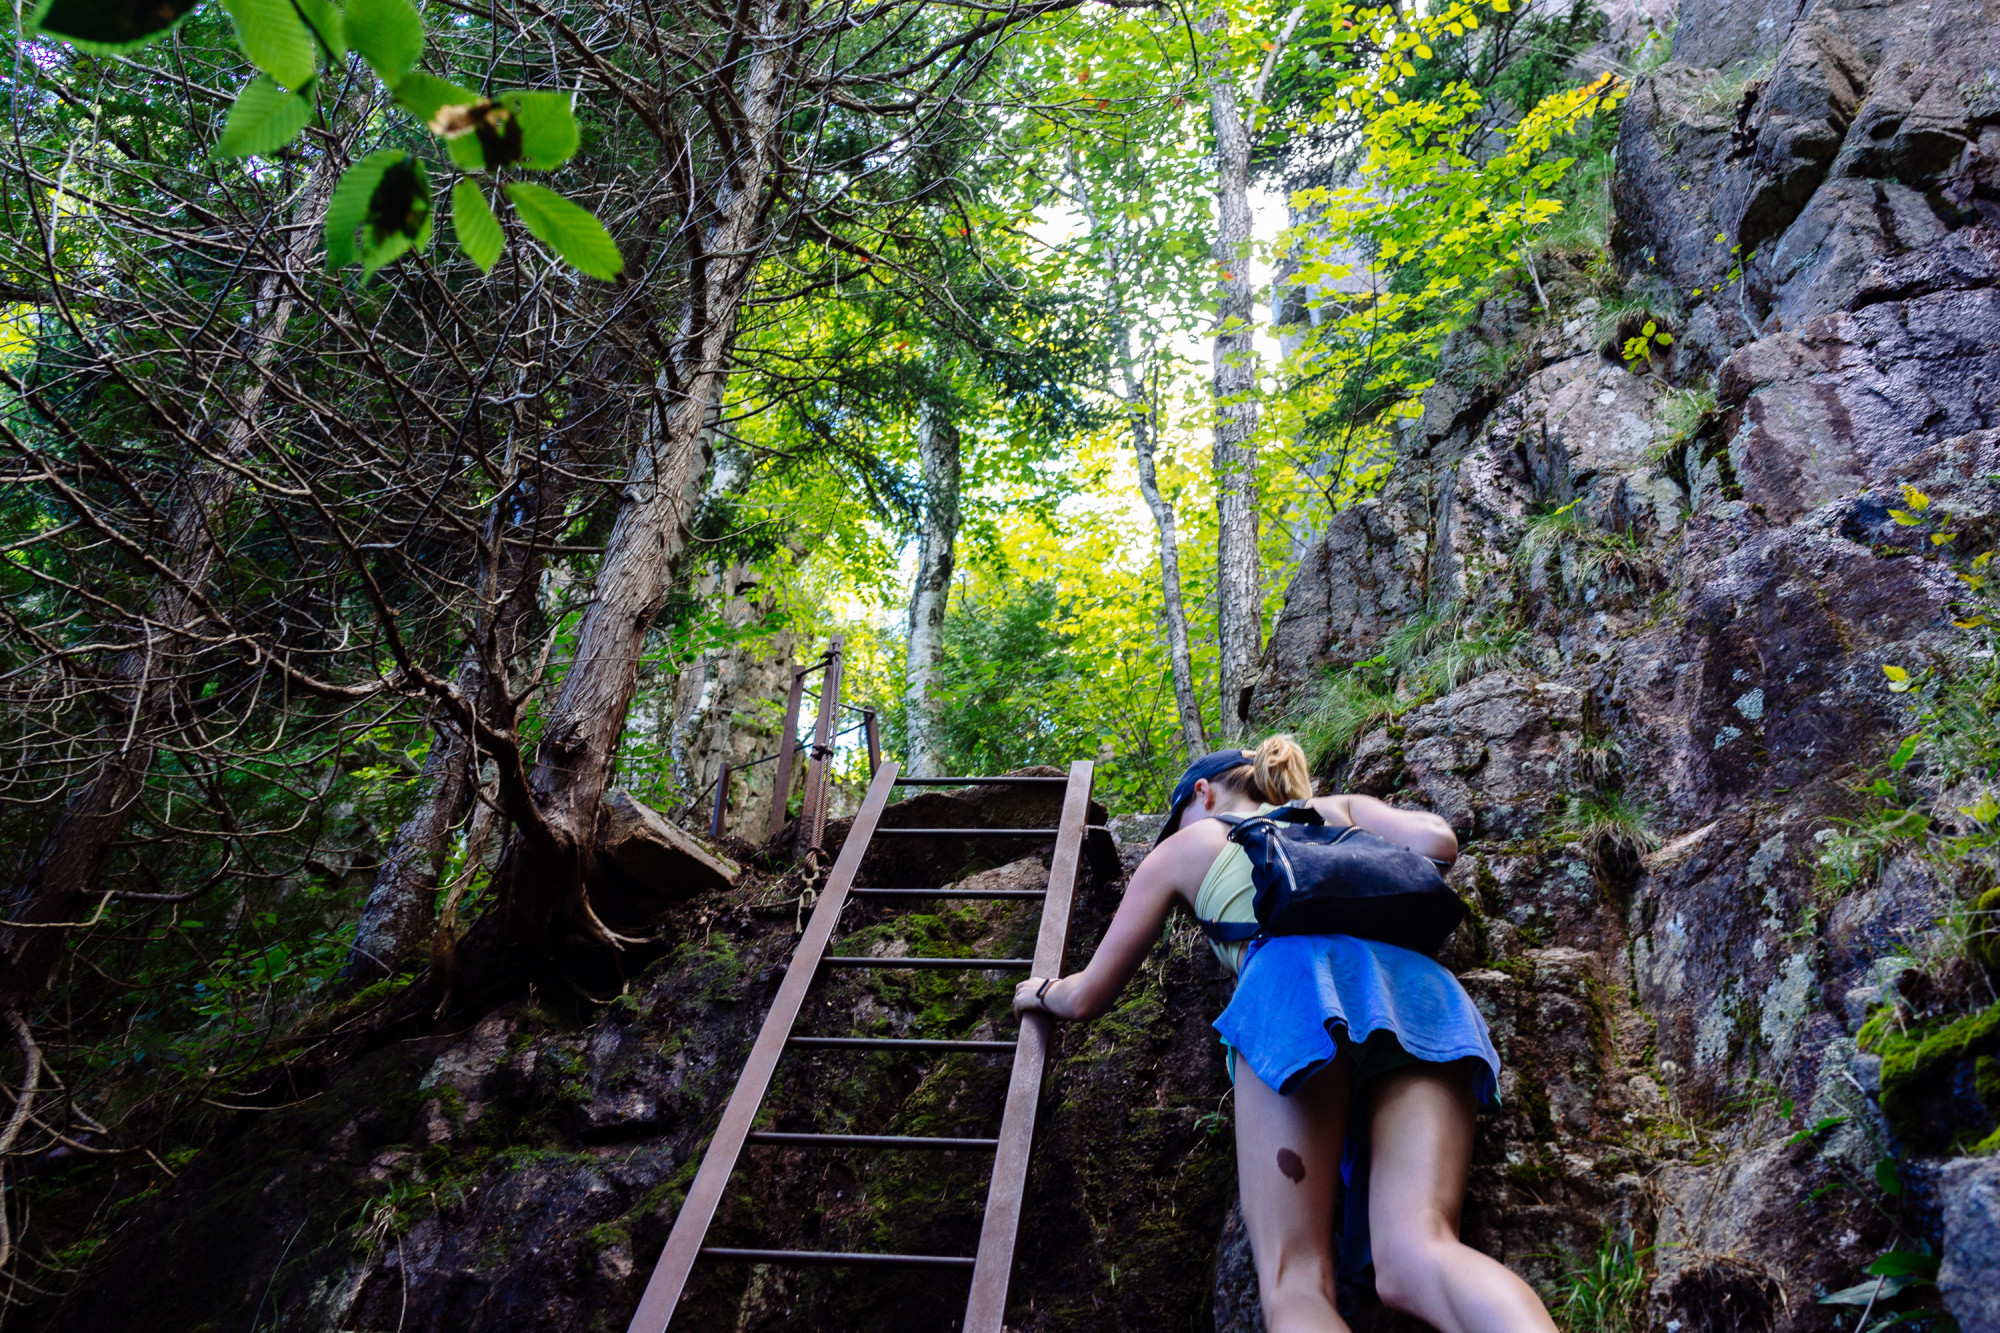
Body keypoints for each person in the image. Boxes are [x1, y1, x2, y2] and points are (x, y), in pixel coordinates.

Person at [1014, 737, 1558, 1333]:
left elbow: (1087, 997)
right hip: (1417, 991)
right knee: (1420, 1251)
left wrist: (1040, 990)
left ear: (1203, 793)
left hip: (1295, 995)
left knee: (1295, 1282)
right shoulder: (1338, 808)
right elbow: (1438, 842)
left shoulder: (1185, 847)